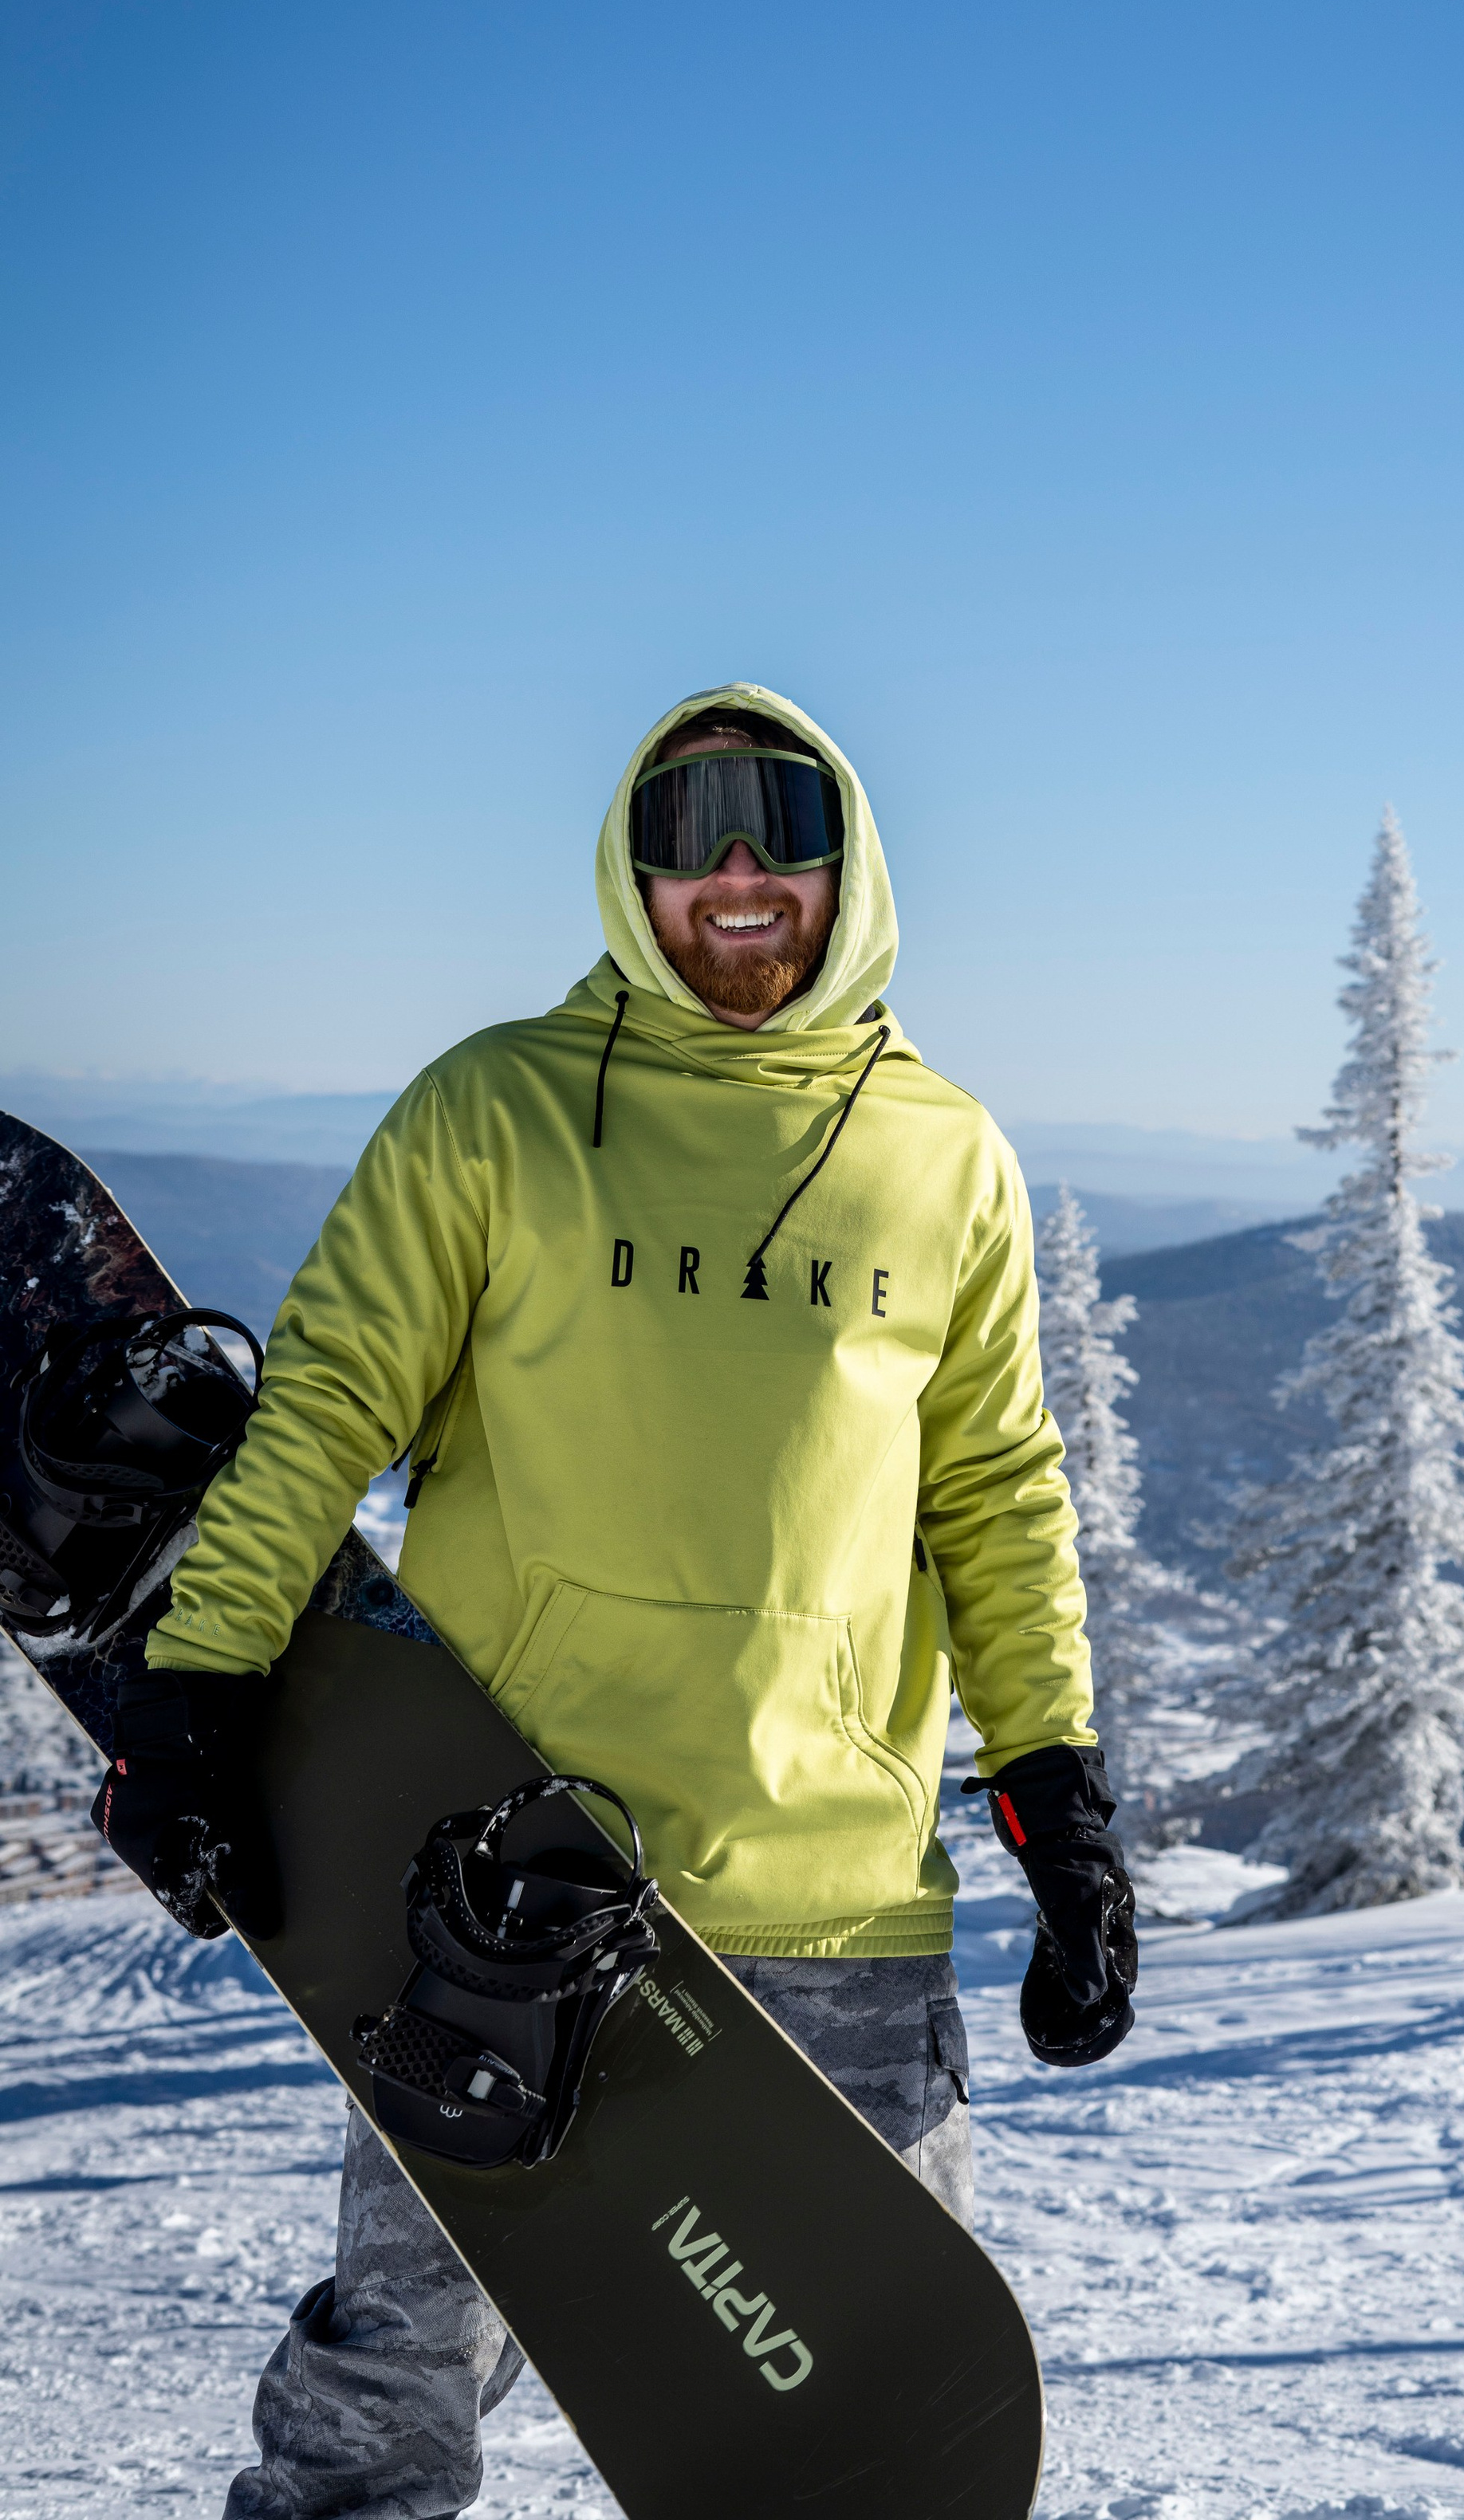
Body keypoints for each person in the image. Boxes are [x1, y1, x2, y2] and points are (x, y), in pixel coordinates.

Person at [95, 682, 1138, 2520]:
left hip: (838, 1911)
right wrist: (198, 1681)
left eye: (780, 828)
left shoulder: (943, 1152)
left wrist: (1061, 1804)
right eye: (687, 835)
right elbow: (327, 1404)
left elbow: (993, 1492)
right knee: (391, 2388)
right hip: (516, 1885)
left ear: (848, 862)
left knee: (877, 2443)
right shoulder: (492, 1113)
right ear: (628, 874)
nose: (736, 876)